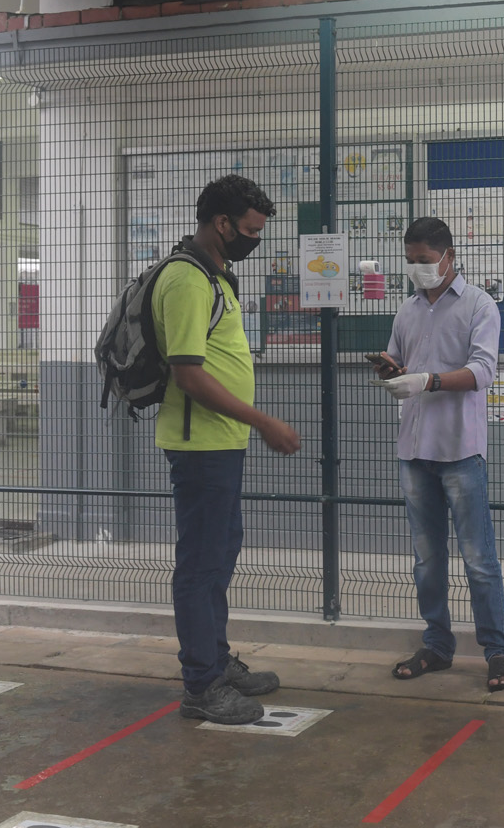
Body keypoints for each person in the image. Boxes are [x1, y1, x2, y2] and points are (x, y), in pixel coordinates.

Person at [154, 174, 301, 724]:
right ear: (221, 223)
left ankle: (215, 661)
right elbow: (188, 375)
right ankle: (201, 685)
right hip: (200, 447)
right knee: (200, 565)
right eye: (248, 230)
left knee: (218, 556)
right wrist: (264, 421)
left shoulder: (215, 275)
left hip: (220, 444)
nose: (252, 241)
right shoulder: (188, 280)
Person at [372, 217, 504, 691]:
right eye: (411, 261)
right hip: (413, 449)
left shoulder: (479, 306)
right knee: (427, 558)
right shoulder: (406, 310)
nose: (417, 269)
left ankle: (497, 653)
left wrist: (428, 380)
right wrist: (393, 371)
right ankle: (437, 645)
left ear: (449, 257)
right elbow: (400, 363)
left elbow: (482, 371)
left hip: (460, 449)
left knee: (478, 558)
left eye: (425, 261)